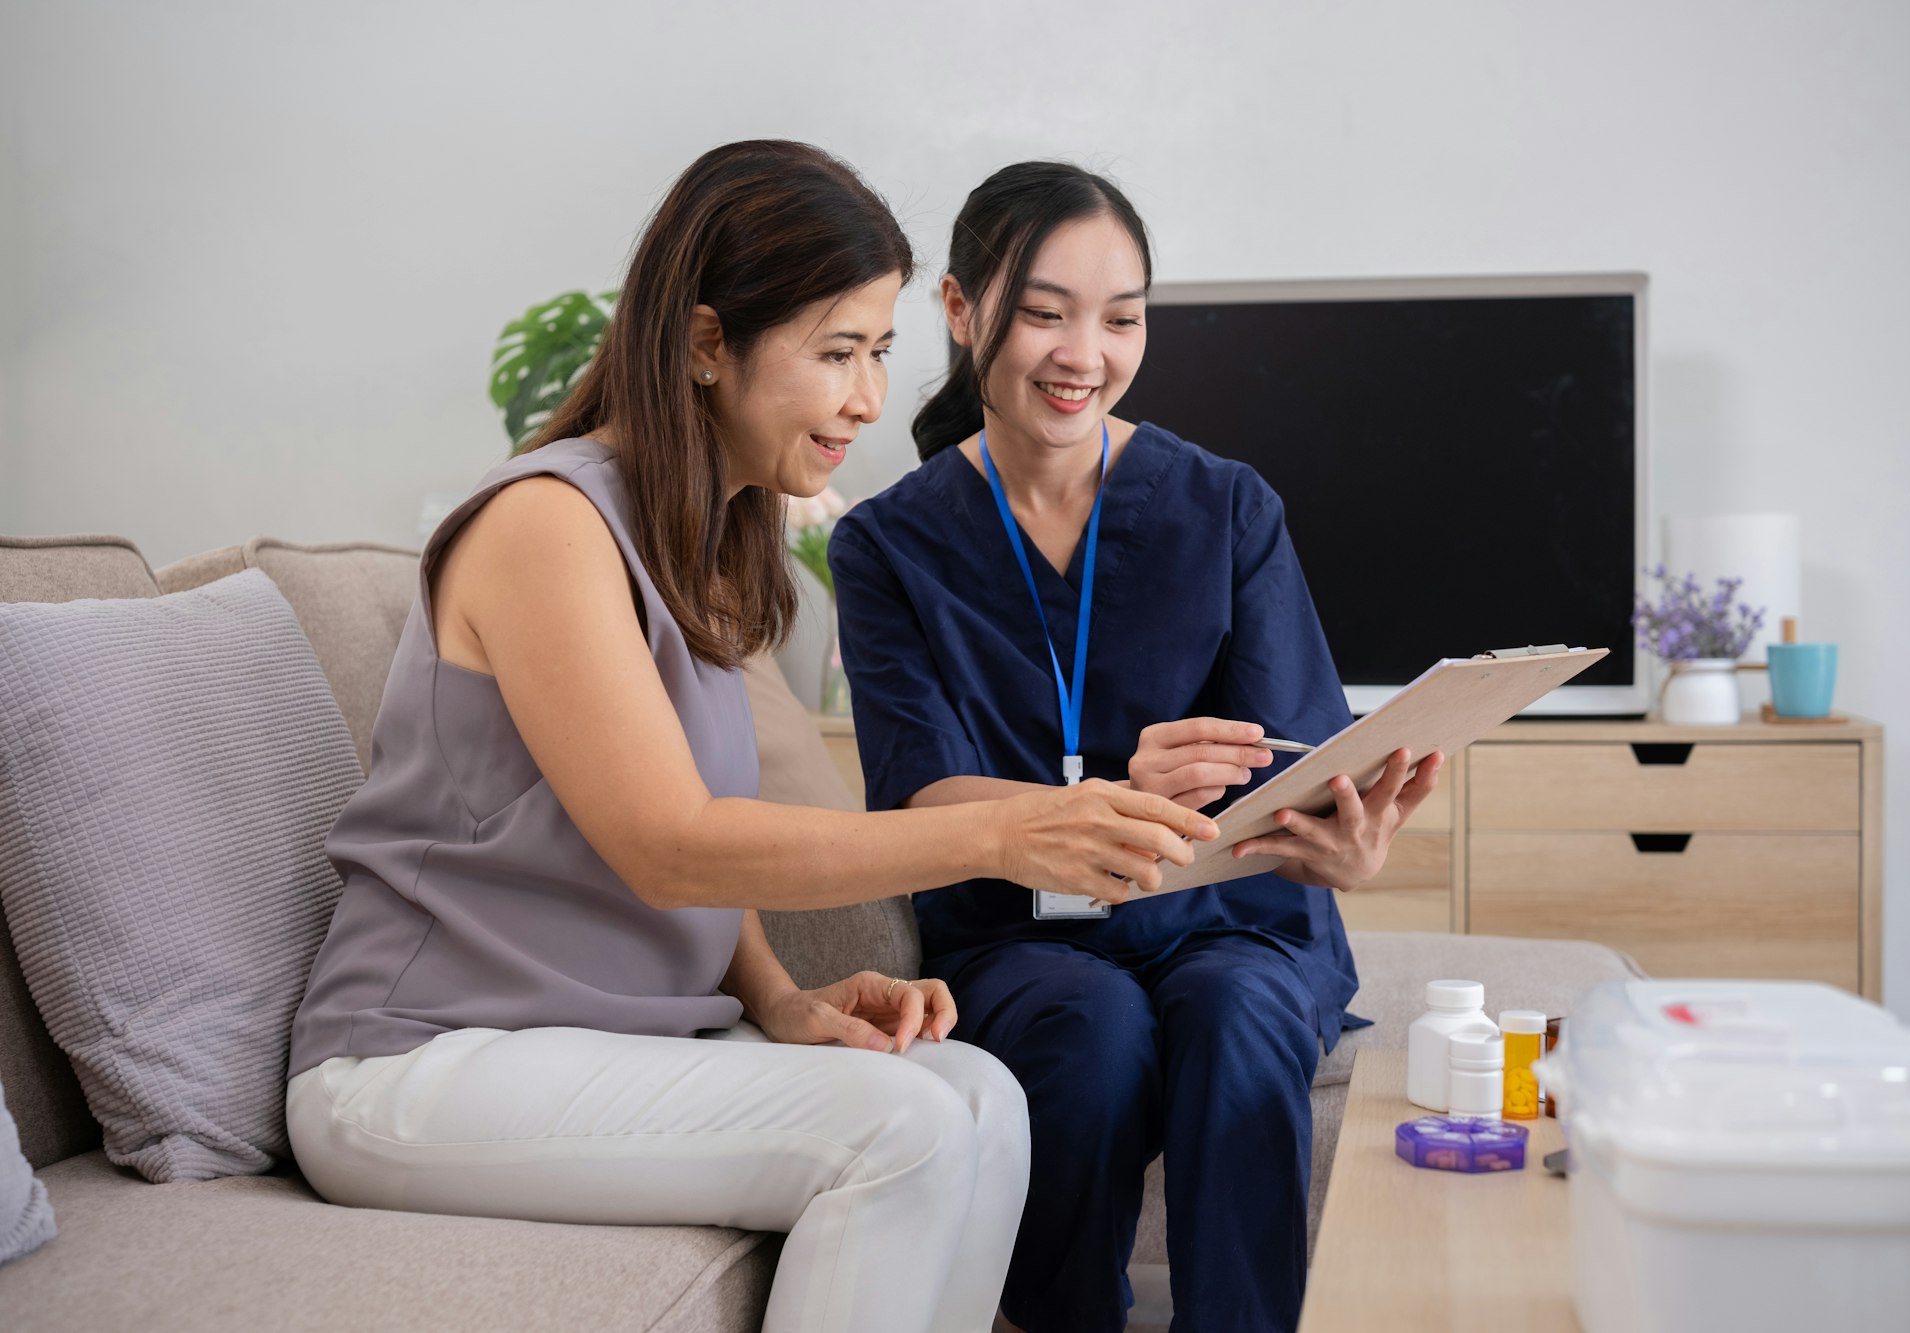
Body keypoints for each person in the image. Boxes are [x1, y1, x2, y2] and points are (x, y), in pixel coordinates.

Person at [283, 142, 1217, 1333]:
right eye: (835, 354)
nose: (870, 400)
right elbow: (671, 844)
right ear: (707, 344)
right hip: (418, 1065)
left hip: (588, 1041)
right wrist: (1007, 829)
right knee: (902, 1127)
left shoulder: (711, 542)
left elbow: (699, 854)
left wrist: (779, 996)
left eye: (878, 351)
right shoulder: (546, 526)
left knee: (976, 1091)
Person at [828, 162, 1443, 1332]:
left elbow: (1291, 761)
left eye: (1120, 318)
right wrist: (1107, 798)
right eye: (1045, 312)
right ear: (960, 313)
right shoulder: (886, 546)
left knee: (1236, 1018)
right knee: (1091, 1032)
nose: (1084, 353)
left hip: (1230, 920)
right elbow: (918, 797)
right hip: (1019, 935)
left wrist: (1341, 846)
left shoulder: (1226, 506)